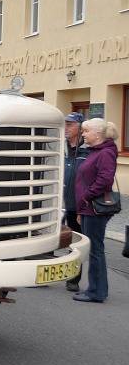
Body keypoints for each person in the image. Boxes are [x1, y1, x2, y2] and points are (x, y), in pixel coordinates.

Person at [73, 118, 119, 303]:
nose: (83, 134)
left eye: (86, 131)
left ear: (97, 134)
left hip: (94, 208)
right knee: (94, 248)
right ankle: (96, 289)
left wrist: (86, 196)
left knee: (95, 249)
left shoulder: (105, 153)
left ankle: (96, 292)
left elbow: (105, 180)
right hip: (87, 207)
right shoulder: (96, 151)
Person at [62, 112, 88, 292]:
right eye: (65, 124)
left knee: (75, 243)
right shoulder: (59, 147)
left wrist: (82, 207)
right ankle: (43, 276)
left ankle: (73, 279)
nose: (66, 128)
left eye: (70, 124)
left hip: (76, 204)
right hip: (58, 203)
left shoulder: (88, 150)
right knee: (51, 240)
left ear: (80, 128)